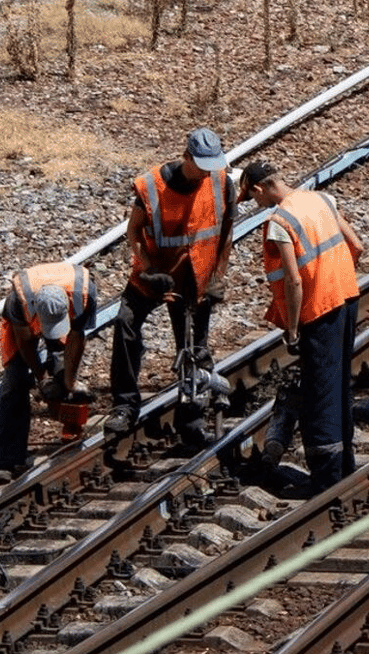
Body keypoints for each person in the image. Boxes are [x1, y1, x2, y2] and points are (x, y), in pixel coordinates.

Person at [105, 127, 236, 445]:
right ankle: (124, 406)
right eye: (201, 166)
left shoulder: (221, 182)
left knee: (193, 347)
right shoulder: (151, 186)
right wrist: (148, 269)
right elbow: (134, 232)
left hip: (195, 276)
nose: (207, 173)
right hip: (155, 274)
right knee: (125, 324)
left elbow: (227, 231)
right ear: (186, 157)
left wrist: (218, 275)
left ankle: (190, 420)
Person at [239, 160, 363, 495]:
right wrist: (335, 277)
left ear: (259, 188)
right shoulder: (322, 199)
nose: (256, 205)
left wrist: (292, 329)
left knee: (320, 392)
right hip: (347, 299)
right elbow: (357, 246)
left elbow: (293, 280)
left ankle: (325, 478)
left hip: (317, 310)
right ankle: (345, 463)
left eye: (252, 198)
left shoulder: (280, 222)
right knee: (339, 384)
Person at [0, 262, 98, 483]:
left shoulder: (84, 294)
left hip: (64, 307)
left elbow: (77, 338)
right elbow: (25, 343)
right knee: (15, 379)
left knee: (62, 367)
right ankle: (7, 460)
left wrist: (69, 380)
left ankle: (70, 431)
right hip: (23, 321)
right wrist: (41, 377)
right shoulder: (18, 301)